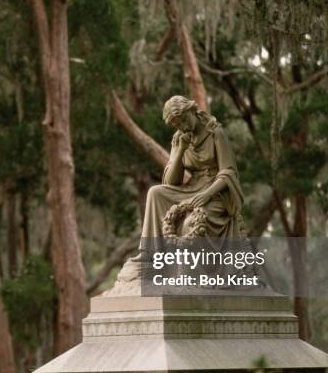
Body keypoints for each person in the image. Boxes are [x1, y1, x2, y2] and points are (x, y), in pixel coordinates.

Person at [104, 95, 246, 295]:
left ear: (191, 110)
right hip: (192, 187)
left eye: (183, 120)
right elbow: (171, 181)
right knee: (155, 192)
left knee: (190, 223)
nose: (182, 126)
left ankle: (189, 274)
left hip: (216, 192)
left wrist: (207, 195)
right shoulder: (179, 138)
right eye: (176, 124)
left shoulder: (215, 132)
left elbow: (229, 172)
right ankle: (149, 255)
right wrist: (179, 151)